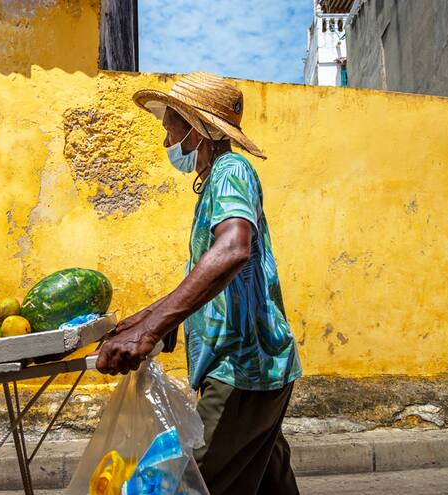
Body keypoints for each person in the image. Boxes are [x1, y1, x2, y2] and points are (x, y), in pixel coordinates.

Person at [95, 72, 302, 495]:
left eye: (170, 124)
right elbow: (208, 275)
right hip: (260, 368)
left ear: (197, 128)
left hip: (241, 369)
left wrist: (150, 330)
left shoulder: (230, 170)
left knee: (193, 484)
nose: (166, 138)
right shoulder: (215, 182)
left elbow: (232, 250)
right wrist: (148, 319)